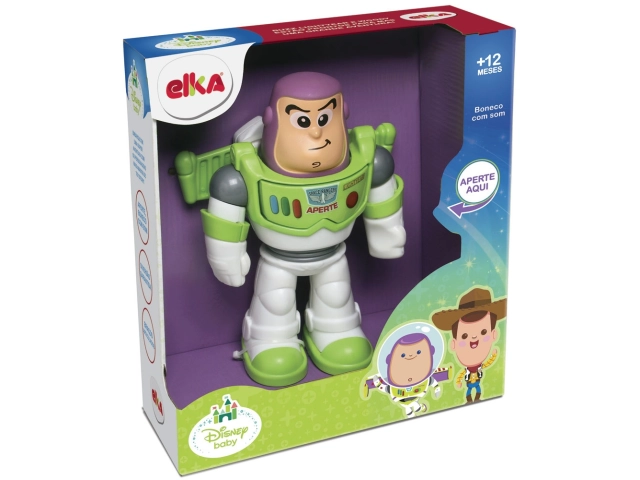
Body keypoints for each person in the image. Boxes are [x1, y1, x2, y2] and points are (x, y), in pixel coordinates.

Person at [196, 72, 406, 386]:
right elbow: (226, 201)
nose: (317, 134)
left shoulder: (364, 159)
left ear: (342, 113)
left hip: (333, 255)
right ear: (272, 120)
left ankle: (336, 328)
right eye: (303, 122)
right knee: (275, 300)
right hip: (278, 259)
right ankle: (268, 336)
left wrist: (387, 234)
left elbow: (380, 181)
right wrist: (225, 258)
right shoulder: (247, 173)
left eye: (325, 118)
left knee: (335, 295)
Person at [431, 287, 506, 403]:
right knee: (470, 391)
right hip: (469, 385)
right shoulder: (465, 371)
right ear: (453, 344)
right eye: (464, 336)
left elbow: (489, 363)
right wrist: (458, 382)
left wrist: (494, 356)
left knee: (478, 390)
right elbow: (461, 375)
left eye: (483, 332)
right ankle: (469, 398)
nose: (474, 338)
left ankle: (476, 396)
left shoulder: (482, 369)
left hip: (480, 385)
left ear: (494, 335)